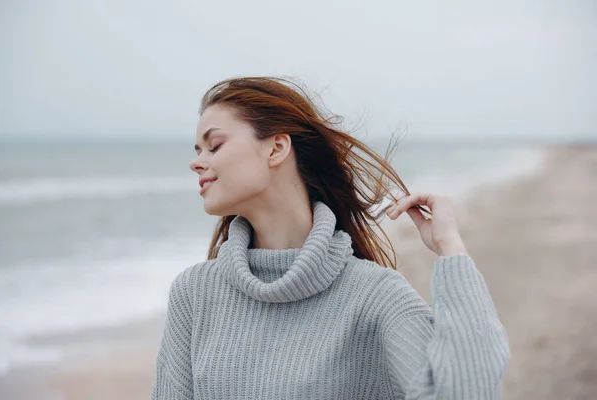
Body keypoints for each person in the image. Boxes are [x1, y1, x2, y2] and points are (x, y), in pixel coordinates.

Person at [151, 77, 510, 399]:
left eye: (214, 146)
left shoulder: (376, 296)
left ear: (276, 148)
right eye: (197, 151)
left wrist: (451, 250)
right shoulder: (194, 293)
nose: (197, 163)